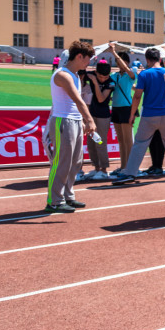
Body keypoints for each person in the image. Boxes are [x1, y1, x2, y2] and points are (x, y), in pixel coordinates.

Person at [111, 47, 165, 185]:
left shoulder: (145, 74)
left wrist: (132, 115)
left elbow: (137, 96)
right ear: (159, 59)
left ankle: (130, 173)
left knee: (140, 144)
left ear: (147, 60)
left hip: (149, 115)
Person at [44, 41, 96, 212]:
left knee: (76, 162)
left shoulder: (75, 75)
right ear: (79, 56)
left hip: (74, 121)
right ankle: (54, 201)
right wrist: (90, 120)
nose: (89, 63)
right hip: (62, 121)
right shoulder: (63, 75)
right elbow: (77, 100)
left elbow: (74, 104)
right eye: (88, 59)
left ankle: (68, 195)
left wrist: (81, 121)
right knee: (62, 162)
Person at [107, 46, 137, 174]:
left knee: (128, 140)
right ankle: (123, 165)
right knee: (121, 140)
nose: (119, 63)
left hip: (126, 108)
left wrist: (114, 52)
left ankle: (129, 167)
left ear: (127, 62)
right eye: (117, 61)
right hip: (116, 108)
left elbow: (127, 70)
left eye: (121, 61)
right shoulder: (114, 75)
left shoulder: (131, 73)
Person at [84, 61, 115, 179]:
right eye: (100, 76)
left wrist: (95, 82)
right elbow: (79, 74)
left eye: (105, 77)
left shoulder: (110, 82)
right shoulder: (91, 74)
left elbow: (101, 98)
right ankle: (96, 167)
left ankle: (103, 169)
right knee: (90, 143)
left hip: (103, 116)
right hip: (91, 115)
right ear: (96, 72)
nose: (103, 79)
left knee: (100, 142)